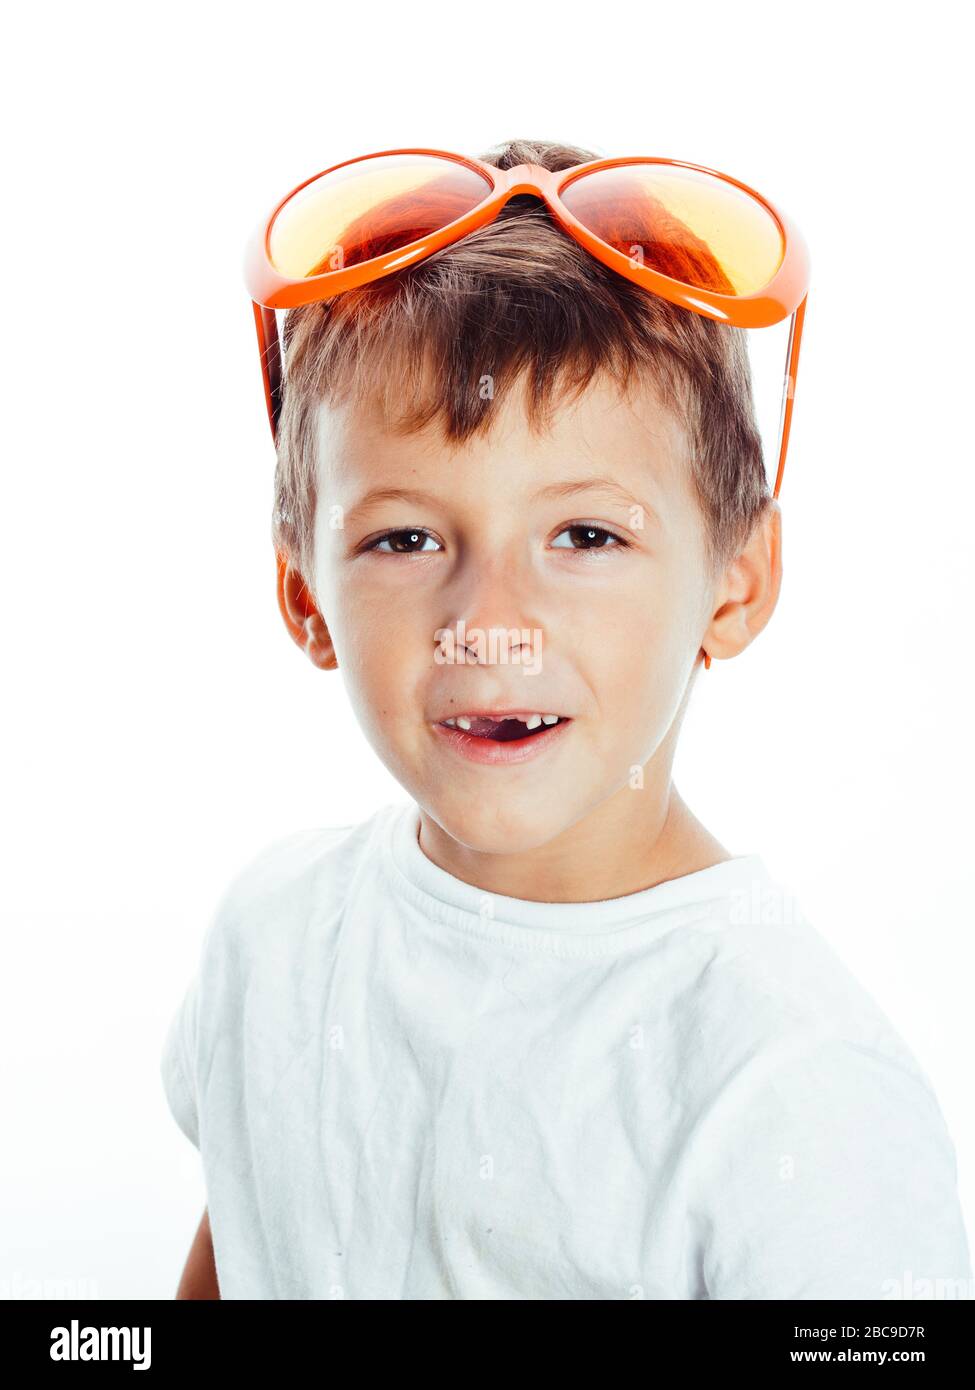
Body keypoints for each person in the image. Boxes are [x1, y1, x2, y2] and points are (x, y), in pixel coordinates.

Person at [160, 137, 971, 1300]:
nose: (490, 624)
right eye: (405, 538)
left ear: (737, 582)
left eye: (586, 535)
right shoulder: (271, 938)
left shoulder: (796, 1093)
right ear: (305, 595)